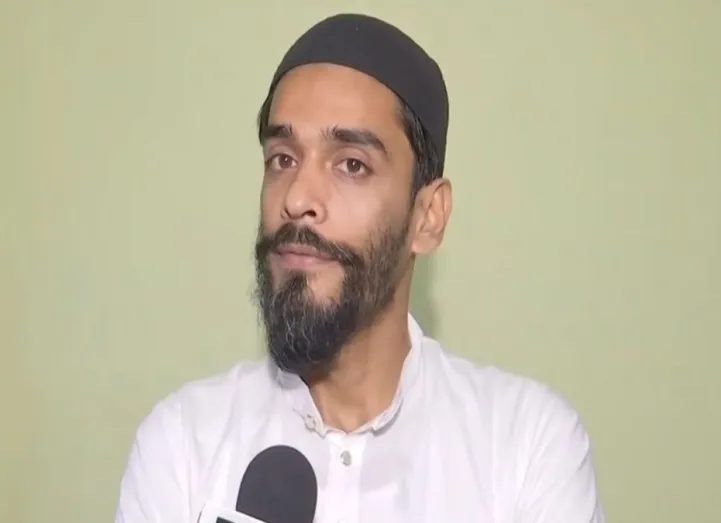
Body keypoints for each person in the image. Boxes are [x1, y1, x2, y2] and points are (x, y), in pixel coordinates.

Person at [115, 12, 604, 523]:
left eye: (351, 164)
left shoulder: (526, 450)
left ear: (427, 216)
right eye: (283, 159)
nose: (298, 198)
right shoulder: (183, 447)